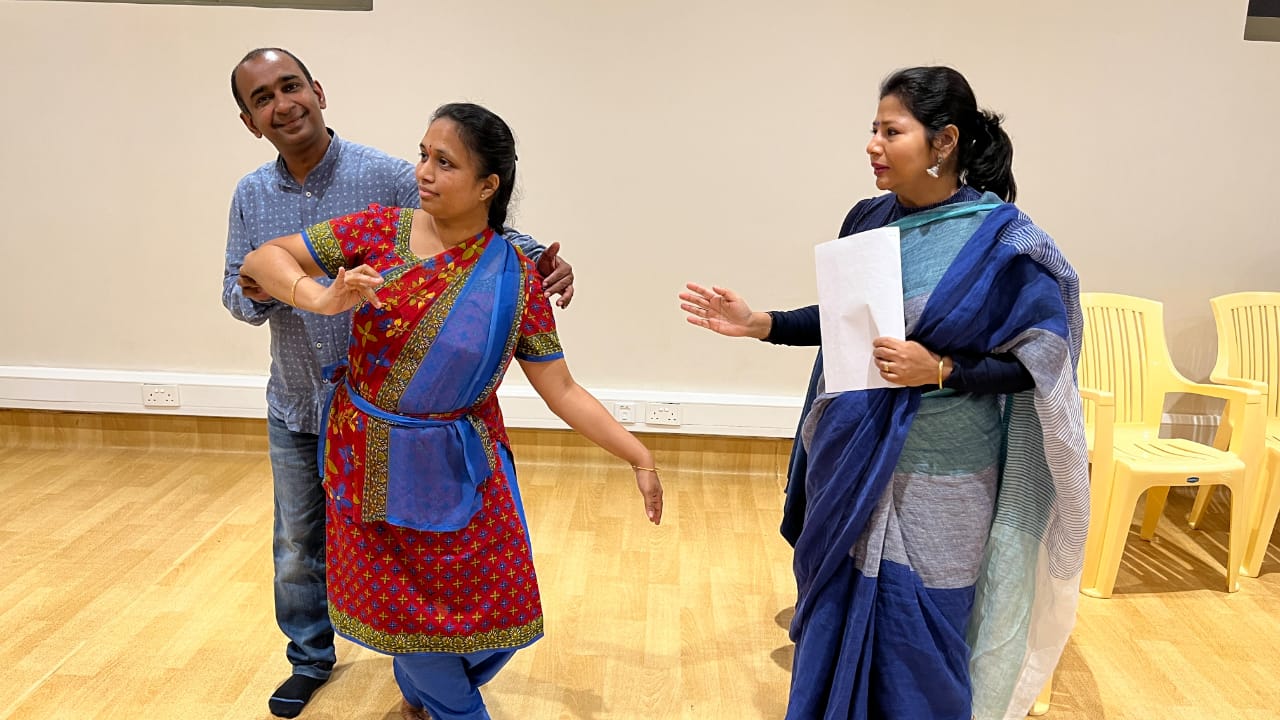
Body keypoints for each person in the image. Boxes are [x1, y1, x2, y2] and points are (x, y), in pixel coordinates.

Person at [680, 66, 1088, 719]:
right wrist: (762, 324)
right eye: (872, 129)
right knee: (838, 613)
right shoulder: (869, 218)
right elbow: (848, 319)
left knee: (927, 628)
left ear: (944, 141)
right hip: (854, 459)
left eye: (891, 131)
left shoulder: (1003, 241)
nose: (873, 144)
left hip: (947, 474)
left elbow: (1040, 362)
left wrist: (944, 370)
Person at [242, 102, 663, 720]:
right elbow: (262, 260)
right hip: (367, 460)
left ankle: (420, 691)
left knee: (502, 614)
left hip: (459, 462)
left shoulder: (516, 277)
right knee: (404, 608)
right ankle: (449, 706)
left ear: (488, 185)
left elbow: (563, 389)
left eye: (445, 162)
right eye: (423, 155)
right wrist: (321, 297)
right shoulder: (378, 231)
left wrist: (639, 455)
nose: (424, 172)